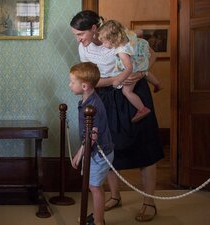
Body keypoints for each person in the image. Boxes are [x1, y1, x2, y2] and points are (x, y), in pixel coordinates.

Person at [70, 10, 164, 222]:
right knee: (107, 147)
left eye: (80, 34)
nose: (78, 39)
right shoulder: (83, 49)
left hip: (133, 93)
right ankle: (115, 196)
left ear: (94, 29)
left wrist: (141, 72)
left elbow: (152, 54)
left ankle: (149, 202)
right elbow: (92, 79)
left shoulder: (119, 36)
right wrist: (114, 80)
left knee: (145, 144)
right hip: (106, 97)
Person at [69, 62, 114, 225]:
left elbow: (92, 135)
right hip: (95, 151)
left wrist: (79, 153)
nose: (69, 85)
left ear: (85, 85)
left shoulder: (93, 105)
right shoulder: (87, 99)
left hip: (99, 152)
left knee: (94, 187)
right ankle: (97, 215)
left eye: (72, 82)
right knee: (92, 185)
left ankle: (99, 222)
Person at [97, 20, 162, 122]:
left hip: (133, 68)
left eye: (105, 42)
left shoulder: (122, 51)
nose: (103, 45)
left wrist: (119, 80)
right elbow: (140, 31)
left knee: (126, 91)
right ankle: (157, 83)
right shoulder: (128, 34)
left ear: (114, 39)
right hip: (140, 59)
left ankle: (142, 109)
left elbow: (129, 68)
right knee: (144, 71)